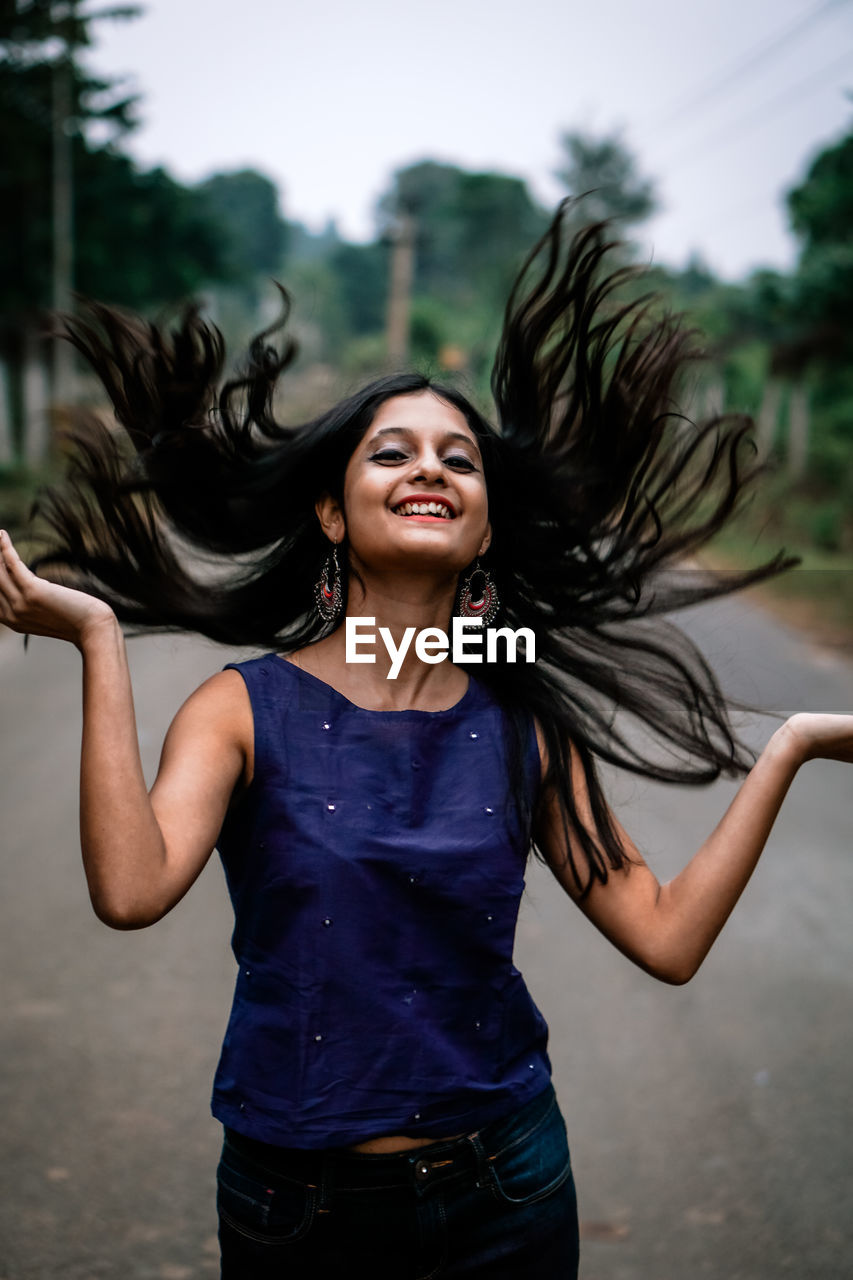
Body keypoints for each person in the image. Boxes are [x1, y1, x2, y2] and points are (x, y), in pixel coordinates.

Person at [0, 207, 850, 1279]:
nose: (430, 468)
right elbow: (129, 888)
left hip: (507, 1186)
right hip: (294, 1205)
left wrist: (793, 746)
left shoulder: (526, 724)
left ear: (484, 529)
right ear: (331, 512)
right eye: (390, 451)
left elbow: (667, 938)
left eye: (460, 458)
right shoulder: (239, 710)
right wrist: (96, 637)